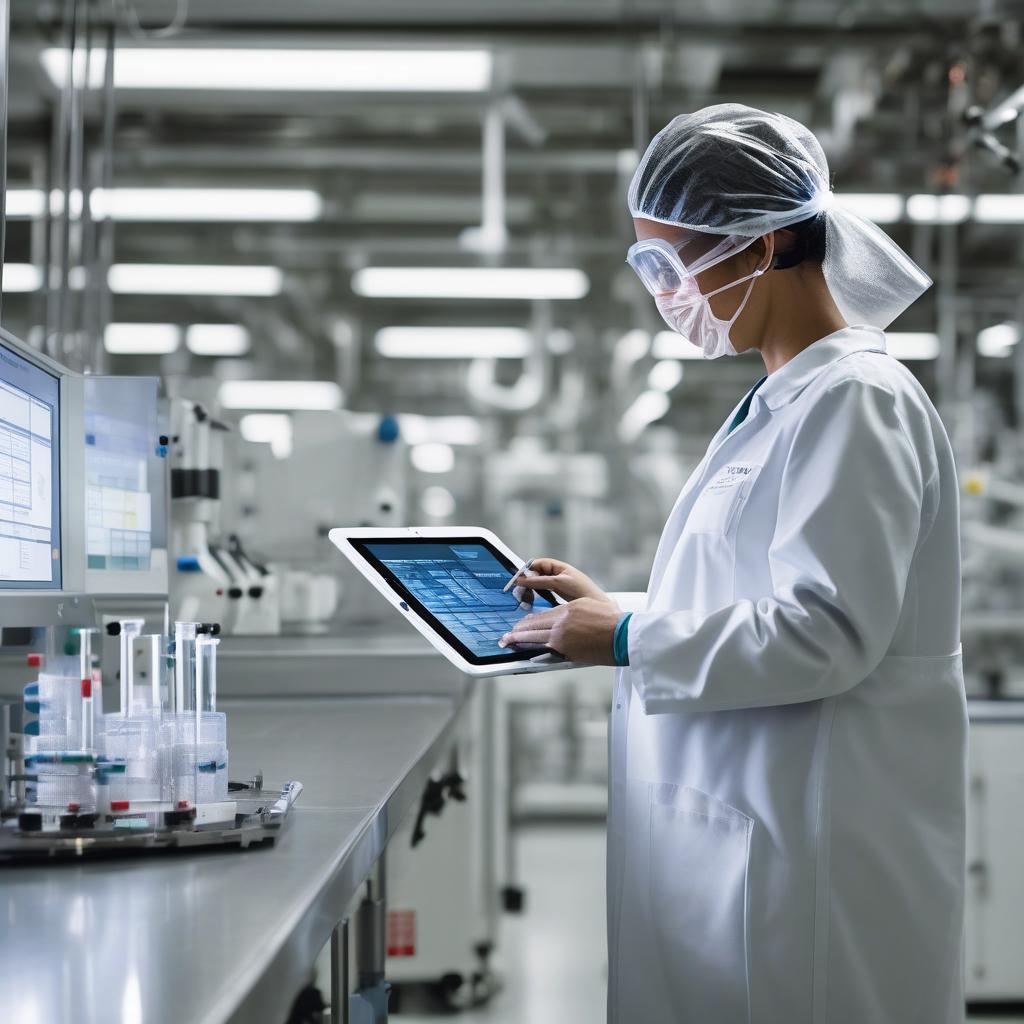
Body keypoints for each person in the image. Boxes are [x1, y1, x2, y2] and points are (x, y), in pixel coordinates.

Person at [500, 104, 967, 1024]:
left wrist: (632, 637)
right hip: (744, 826)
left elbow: (829, 631)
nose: (667, 291)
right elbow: (756, 591)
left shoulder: (857, 400)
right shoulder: (782, 401)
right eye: (652, 268)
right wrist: (613, 610)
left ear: (766, 244)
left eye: (677, 263)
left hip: (813, 851)